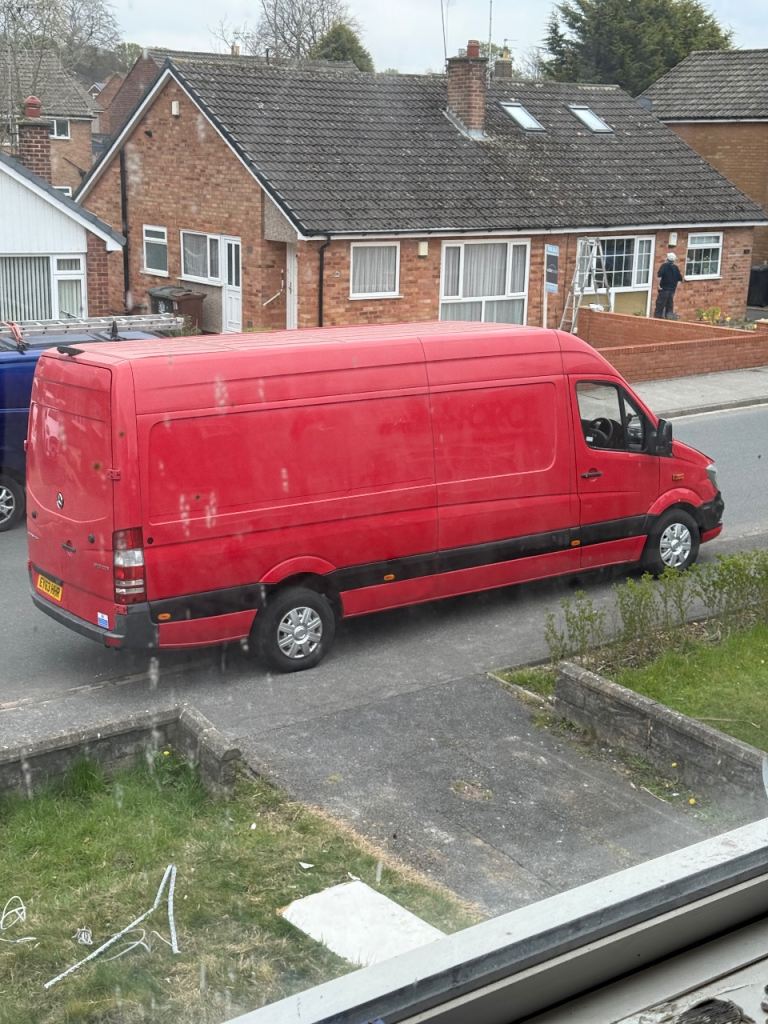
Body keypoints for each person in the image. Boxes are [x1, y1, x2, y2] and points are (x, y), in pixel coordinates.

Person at [654, 252, 684, 319]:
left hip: (664, 290)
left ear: (667, 259)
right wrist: (674, 287)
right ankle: (669, 320)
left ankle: (657, 321)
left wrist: (658, 285)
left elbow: (659, 276)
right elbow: (680, 279)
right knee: (669, 307)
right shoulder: (676, 268)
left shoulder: (664, 266)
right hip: (672, 291)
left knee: (660, 306)